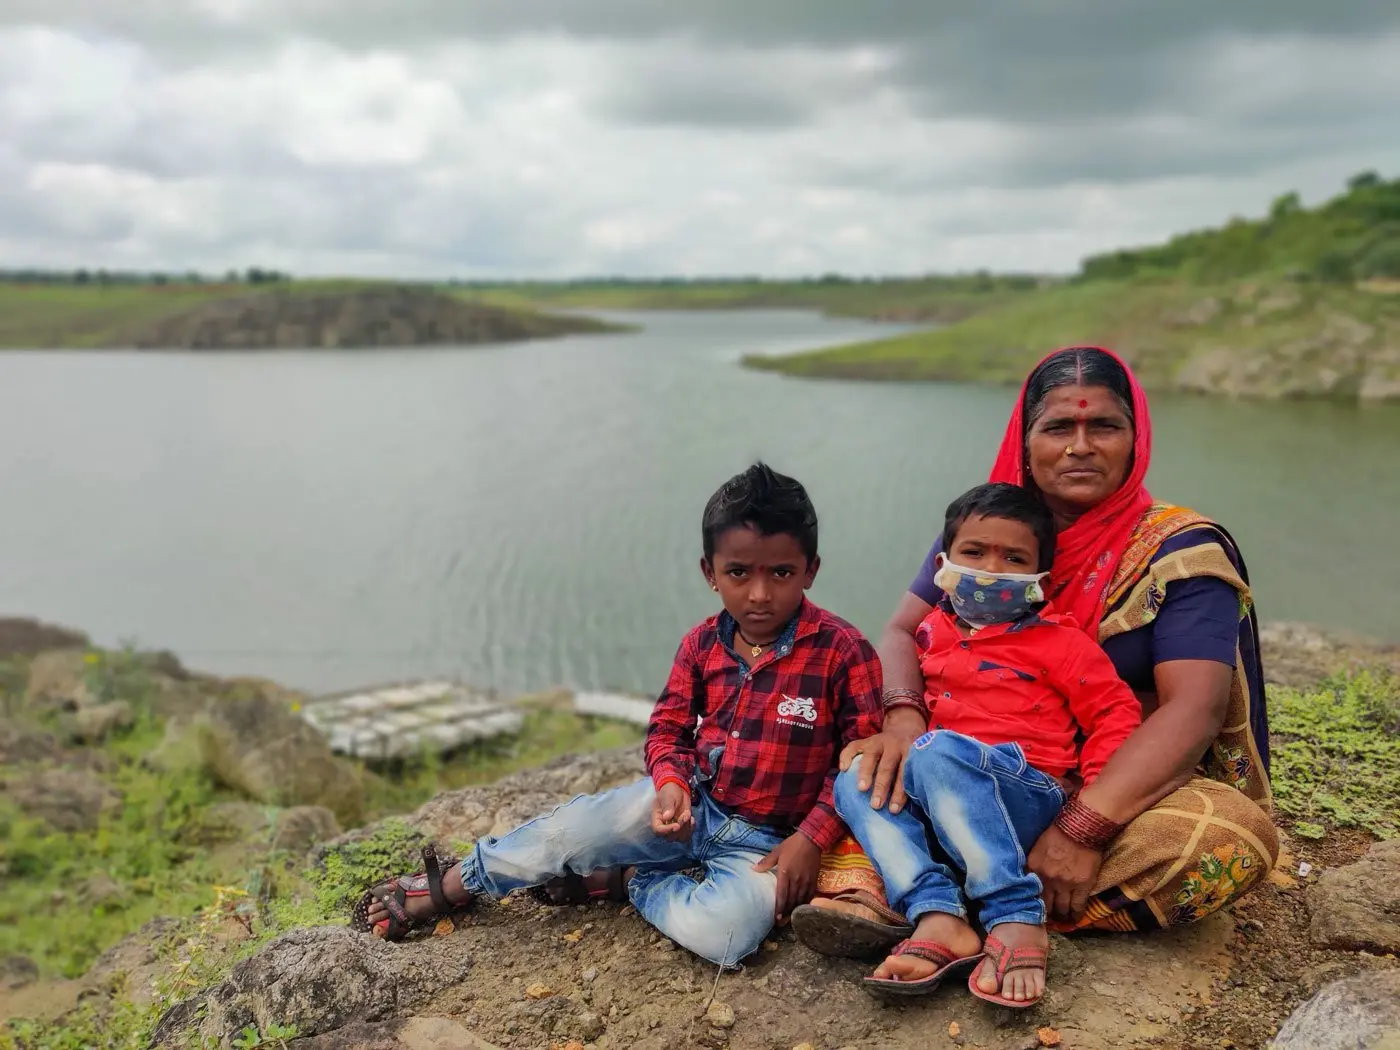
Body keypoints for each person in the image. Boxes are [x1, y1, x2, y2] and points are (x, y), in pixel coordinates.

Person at [795, 345, 1278, 959]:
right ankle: (981, 895)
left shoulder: (1179, 552)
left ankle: (924, 891)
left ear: (1136, 439)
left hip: (1111, 783)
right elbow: (899, 632)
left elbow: (1193, 712)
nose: (1080, 446)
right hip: (957, 763)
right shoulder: (988, 533)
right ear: (1026, 441)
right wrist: (903, 719)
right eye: (1058, 427)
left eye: (1104, 426)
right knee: (851, 761)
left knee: (1229, 840)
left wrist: (1083, 827)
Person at [353, 462, 884, 969]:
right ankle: (453, 884)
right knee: (569, 831)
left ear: (811, 570)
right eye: (739, 573)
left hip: (771, 843)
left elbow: (859, 764)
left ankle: (627, 879)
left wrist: (811, 838)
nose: (760, 593)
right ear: (710, 573)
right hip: (693, 806)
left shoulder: (843, 652)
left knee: (725, 934)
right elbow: (668, 728)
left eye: (782, 572)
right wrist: (672, 782)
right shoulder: (701, 645)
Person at [835, 482, 1142, 1007]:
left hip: (1025, 793)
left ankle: (1016, 914)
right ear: (944, 563)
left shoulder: (1063, 644)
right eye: (974, 553)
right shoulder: (931, 631)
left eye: (1013, 558)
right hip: (940, 795)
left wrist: (1087, 804)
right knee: (854, 777)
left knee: (935, 750)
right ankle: (939, 915)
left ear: (1040, 578)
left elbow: (1116, 714)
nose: (991, 569)